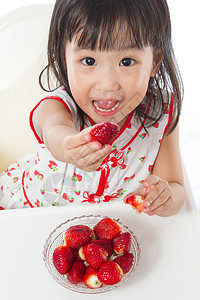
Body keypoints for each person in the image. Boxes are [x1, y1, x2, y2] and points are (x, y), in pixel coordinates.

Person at [0, 0, 185, 216]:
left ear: (155, 61)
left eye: (126, 62)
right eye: (88, 61)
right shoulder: (57, 106)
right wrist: (69, 147)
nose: (107, 84)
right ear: (65, 59)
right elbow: (55, 133)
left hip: (106, 228)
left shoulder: (161, 112)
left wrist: (165, 197)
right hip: (29, 214)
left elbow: (175, 185)